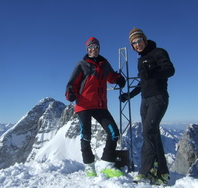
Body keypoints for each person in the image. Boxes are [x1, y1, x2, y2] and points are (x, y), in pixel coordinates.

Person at [119, 28, 175, 185]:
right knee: (152, 134)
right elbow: (143, 83)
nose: (137, 44)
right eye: (134, 43)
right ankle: (162, 172)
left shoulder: (158, 52)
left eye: (139, 40)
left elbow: (170, 70)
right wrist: (129, 95)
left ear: (145, 39)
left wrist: (153, 73)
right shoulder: (140, 60)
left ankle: (146, 171)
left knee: (148, 131)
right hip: (145, 100)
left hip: (159, 98)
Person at [65, 37, 126, 177]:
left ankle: (106, 164)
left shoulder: (104, 64)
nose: (94, 49)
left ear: (99, 48)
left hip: (100, 106)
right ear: (87, 49)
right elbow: (72, 82)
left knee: (113, 132)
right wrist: (70, 93)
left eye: (96, 47)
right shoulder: (82, 64)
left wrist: (118, 79)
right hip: (84, 105)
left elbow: (111, 76)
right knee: (86, 136)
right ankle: (89, 166)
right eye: (91, 47)